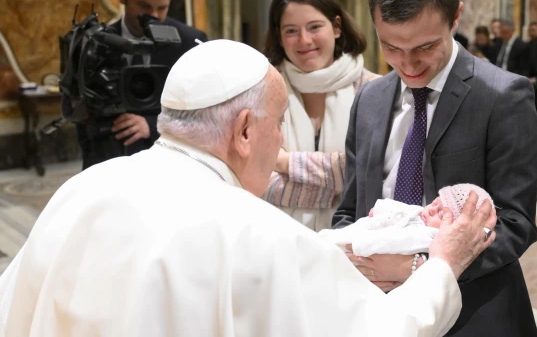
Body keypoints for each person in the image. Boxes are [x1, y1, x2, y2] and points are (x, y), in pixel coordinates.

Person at [0, 40, 497, 337]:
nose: (281, 139)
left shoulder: (86, 186)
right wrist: (445, 263)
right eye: (278, 123)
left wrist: (335, 246)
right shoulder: (257, 233)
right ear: (242, 132)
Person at [333, 0, 537, 337]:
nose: (408, 66)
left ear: (456, 16)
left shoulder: (501, 96)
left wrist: (421, 268)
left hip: (473, 310)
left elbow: (517, 223)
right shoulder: (370, 99)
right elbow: (350, 208)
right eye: (391, 47)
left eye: (425, 47)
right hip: (378, 309)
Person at [261, 0, 380, 231]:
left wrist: (283, 163)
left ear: (337, 27)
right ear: (279, 37)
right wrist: (334, 190)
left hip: (353, 240)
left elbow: (367, 171)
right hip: (277, 240)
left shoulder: (374, 90)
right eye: (291, 31)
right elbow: (256, 177)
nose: (304, 41)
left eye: (314, 27)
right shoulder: (263, 90)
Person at [75, 0, 208, 170]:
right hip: (107, 165)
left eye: (162, 8)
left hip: (171, 166)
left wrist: (152, 125)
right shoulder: (94, 42)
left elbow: (202, 113)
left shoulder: (191, 42)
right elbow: (81, 115)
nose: (153, 16)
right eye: (144, 7)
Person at [320, 184, 493, 258]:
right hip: (364, 228)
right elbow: (398, 207)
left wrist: (361, 246)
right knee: (328, 238)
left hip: (366, 246)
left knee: (335, 246)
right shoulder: (419, 212)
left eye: (440, 214)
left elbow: (395, 242)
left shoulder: (429, 237)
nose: (431, 209)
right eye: (434, 203)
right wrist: (380, 210)